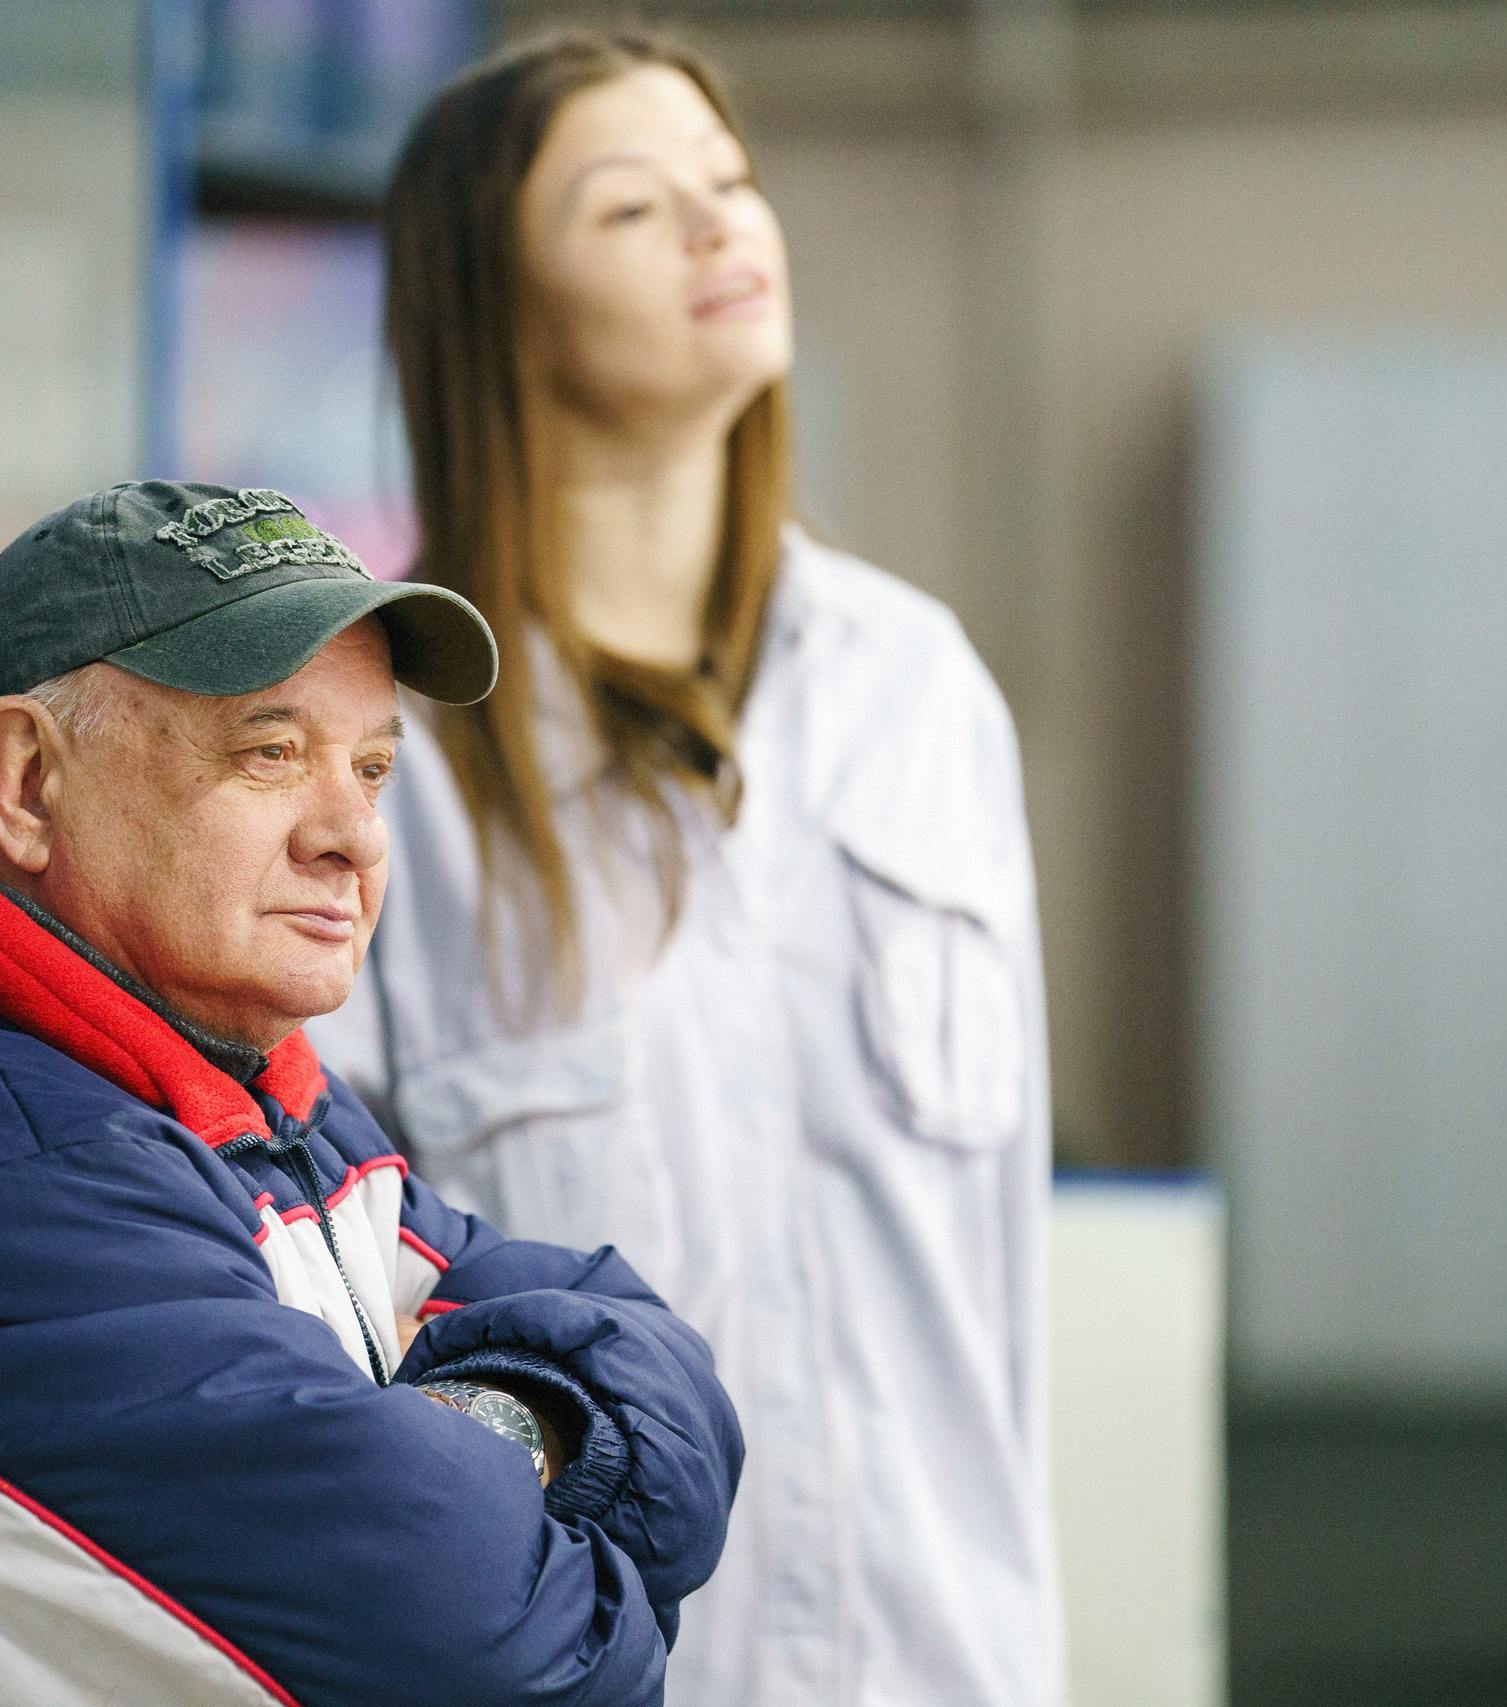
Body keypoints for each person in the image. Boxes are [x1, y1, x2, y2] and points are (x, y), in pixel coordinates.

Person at [0, 481, 743, 1707]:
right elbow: (507, 1672)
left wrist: (478, 1436)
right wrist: (518, 1436)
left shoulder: (240, 1088)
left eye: (375, 768)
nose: (354, 835)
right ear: (27, 783)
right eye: (272, 753)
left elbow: (664, 1372)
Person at [308, 33, 1064, 1706]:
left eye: (733, 186)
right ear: (495, 308)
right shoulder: (392, 770)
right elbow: (336, 1344)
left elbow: (1001, 1284)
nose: (726, 230)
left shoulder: (919, 694)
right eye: (635, 207)